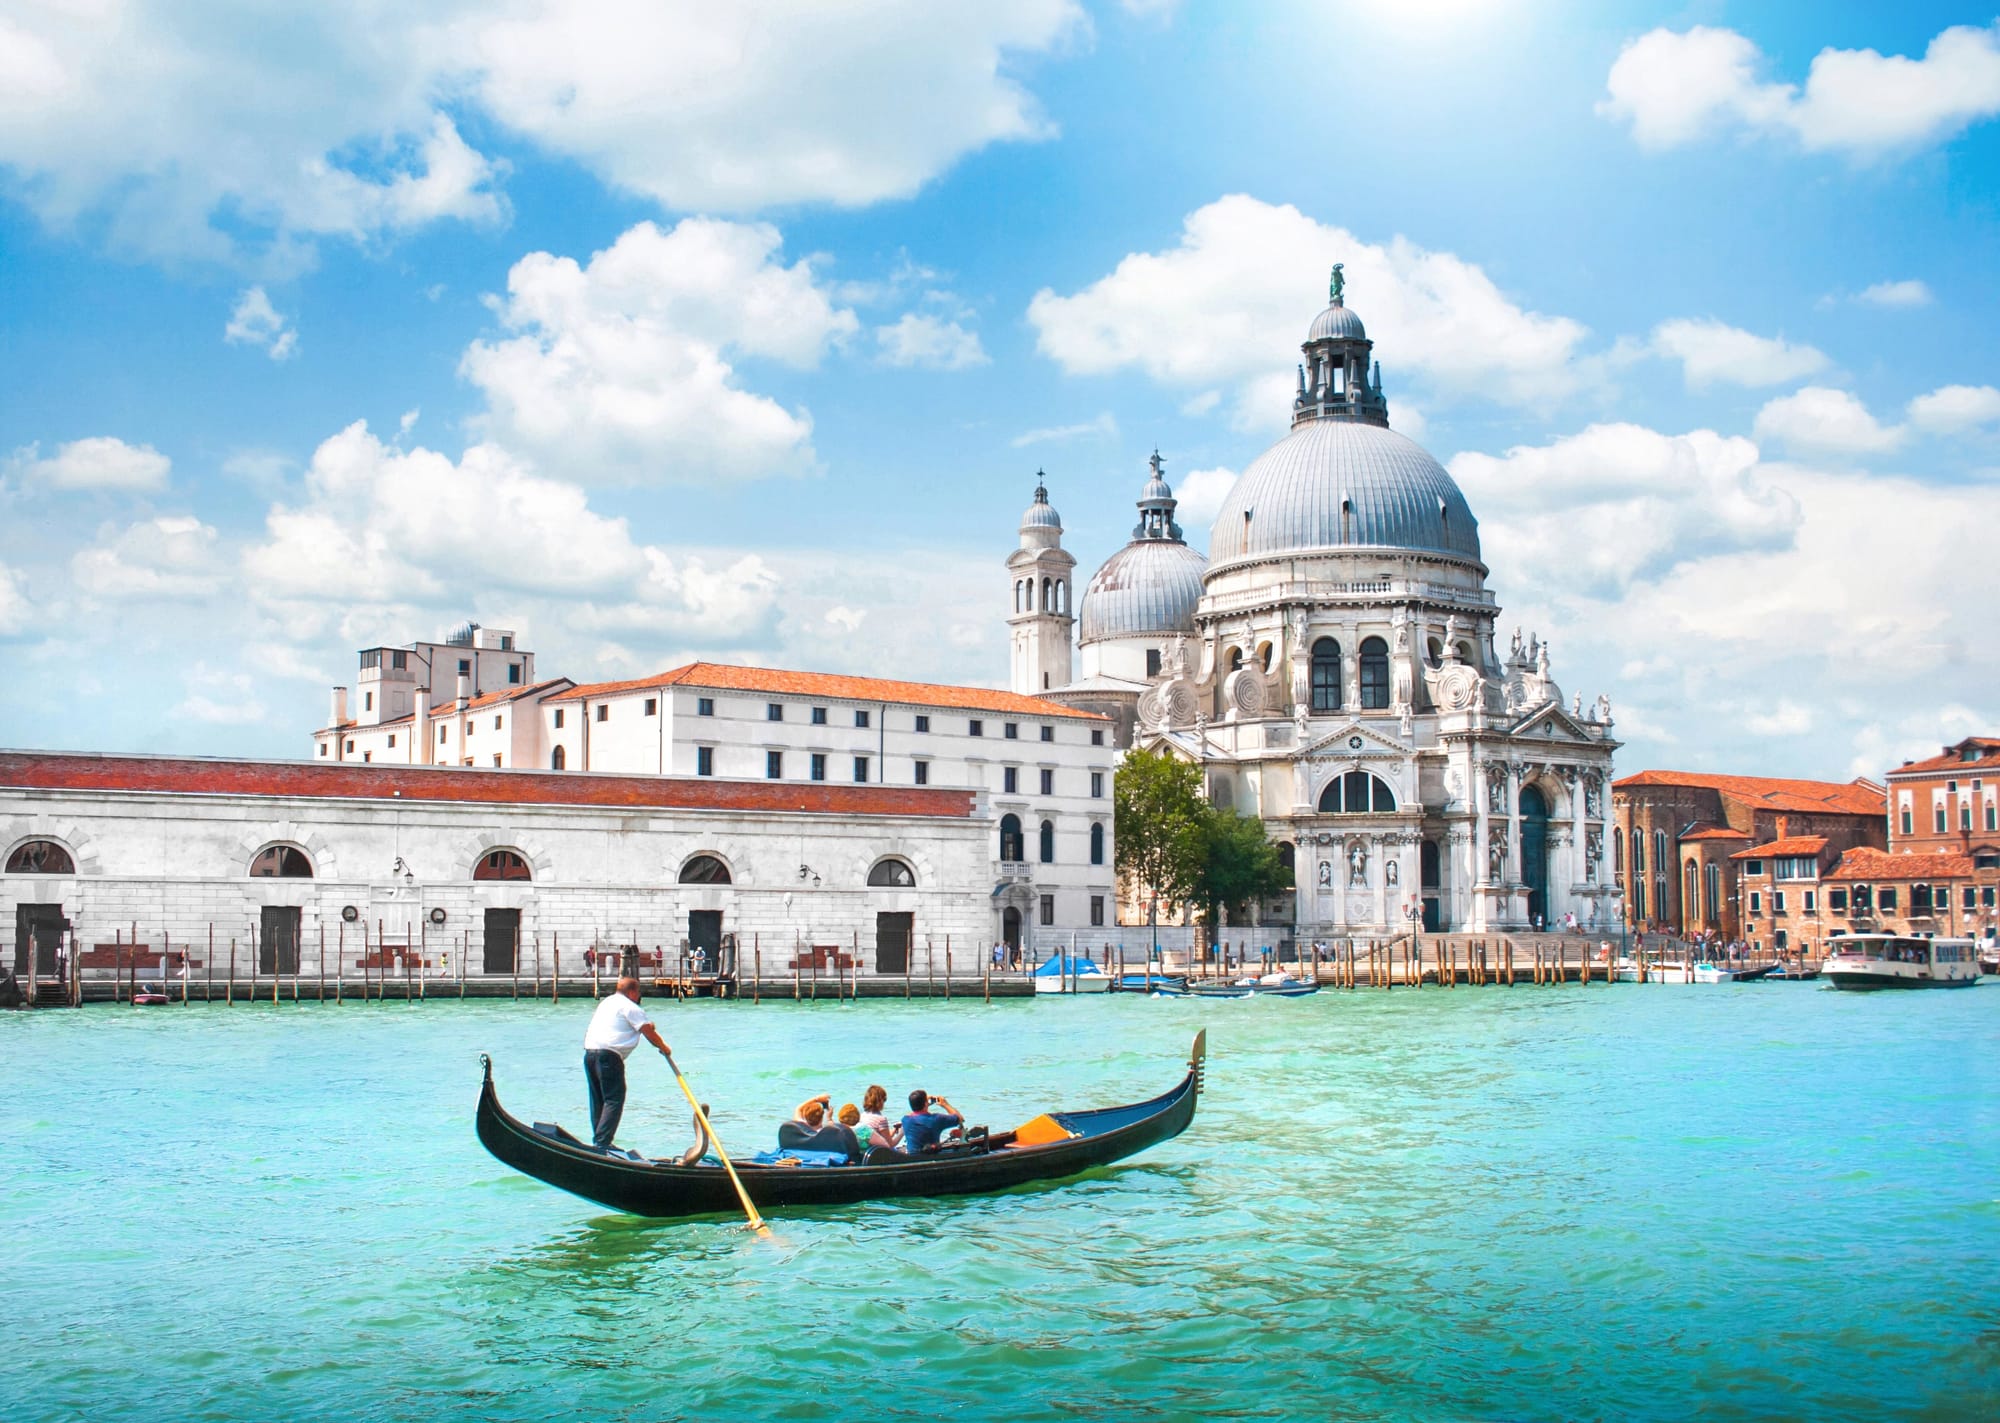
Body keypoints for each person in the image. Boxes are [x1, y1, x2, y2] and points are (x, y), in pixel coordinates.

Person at [582, 976, 672, 1150]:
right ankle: (603, 1143)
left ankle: (599, 1140)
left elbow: (627, 1025)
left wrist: (647, 1025)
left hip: (590, 1054)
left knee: (598, 1098)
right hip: (608, 1056)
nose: (639, 996)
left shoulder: (607, 1003)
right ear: (632, 992)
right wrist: (664, 1048)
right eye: (638, 992)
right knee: (614, 1099)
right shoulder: (632, 1008)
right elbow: (650, 1035)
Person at [778, 1096, 860, 1161]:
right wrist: (829, 1118)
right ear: (821, 1118)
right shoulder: (830, 1134)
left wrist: (817, 1098)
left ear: (805, 1116)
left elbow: (799, 1108)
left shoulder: (799, 1129)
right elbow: (833, 1128)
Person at [901, 1089, 963, 1155]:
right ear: (925, 1103)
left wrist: (924, 1104)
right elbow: (960, 1119)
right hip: (932, 1157)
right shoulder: (936, 1119)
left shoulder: (905, 1120)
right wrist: (945, 1104)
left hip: (912, 1157)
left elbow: (915, 1113)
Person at [857, 1084, 904, 1152]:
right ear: (880, 1101)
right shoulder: (881, 1119)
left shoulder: (861, 1116)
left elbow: (880, 1137)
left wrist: (894, 1129)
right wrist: (901, 1133)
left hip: (865, 1150)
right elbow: (890, 1144)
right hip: (877, 1153)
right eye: (884, 1099)